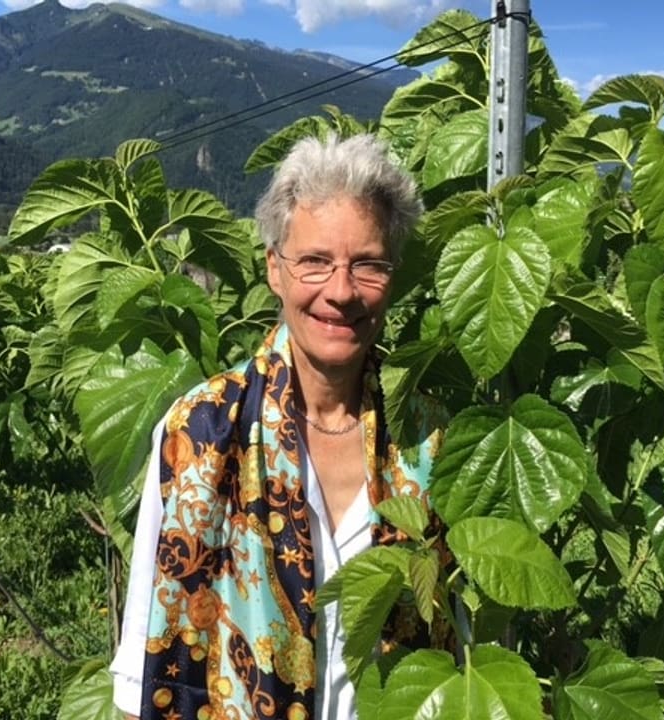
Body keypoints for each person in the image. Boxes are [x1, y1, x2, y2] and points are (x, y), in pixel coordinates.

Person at [110, 133, 446, 720]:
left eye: (367, 264)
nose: (340, 291)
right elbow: (148, 669)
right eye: (315, 261)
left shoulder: (429, 440)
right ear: (275, 269)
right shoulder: (200, 434)